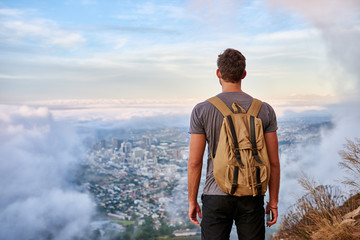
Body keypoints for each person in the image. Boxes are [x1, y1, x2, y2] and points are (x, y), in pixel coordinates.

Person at [187, 48, 280, 240]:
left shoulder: (202, 110)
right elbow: (273, 162)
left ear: (218, 74)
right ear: (244, 74)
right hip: (252, 193)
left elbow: (195, 162)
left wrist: (192, 200)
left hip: (215, 194)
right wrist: (273, 201)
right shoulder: (264, 110)